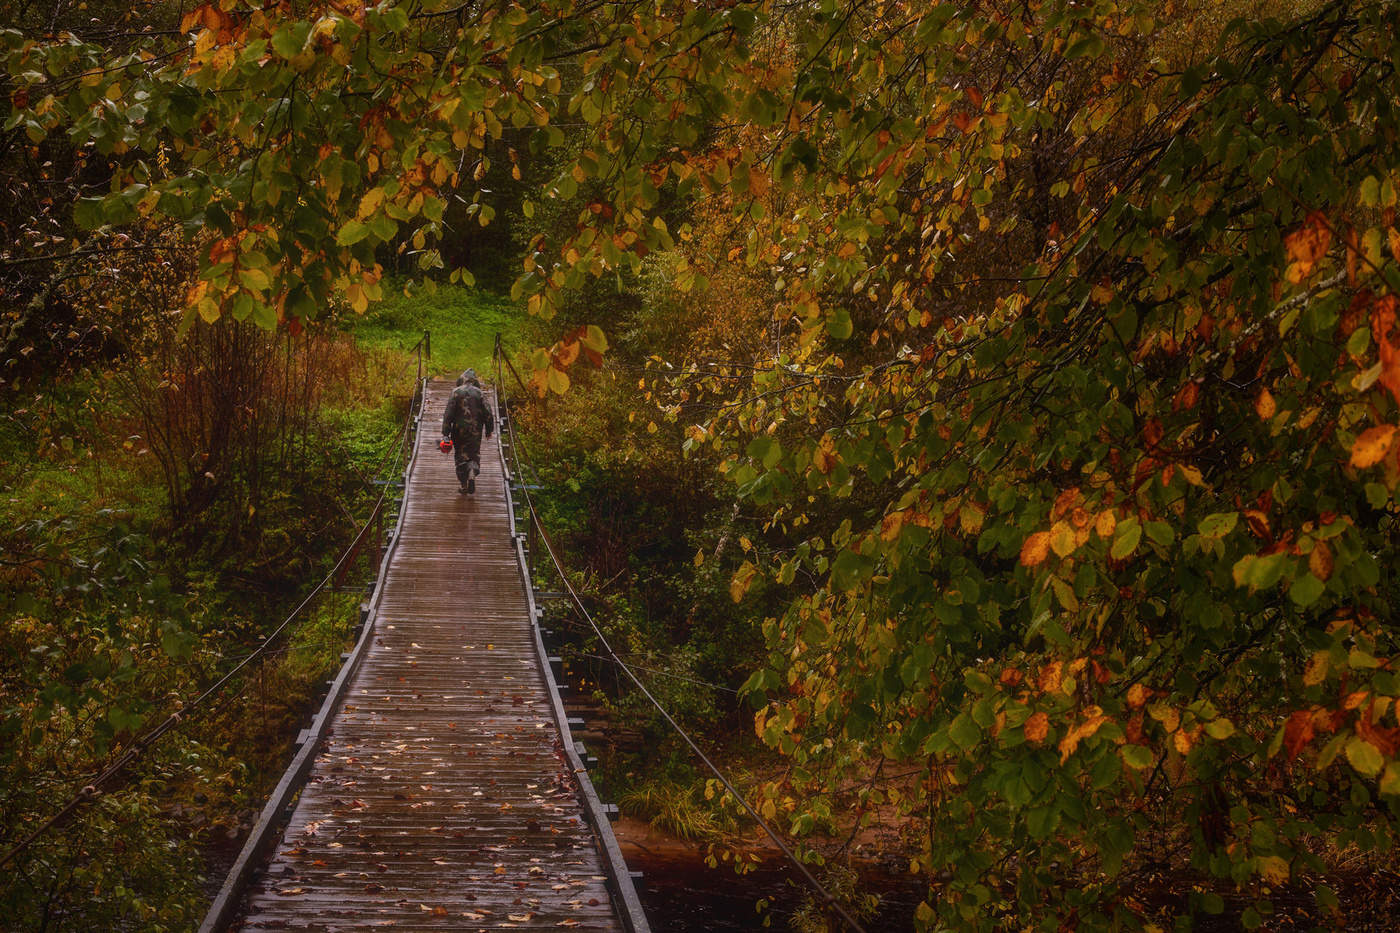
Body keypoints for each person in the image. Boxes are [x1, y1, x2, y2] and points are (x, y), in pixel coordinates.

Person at [441, 368, 494, 494]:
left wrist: (445, 433)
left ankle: (464, 485)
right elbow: (488, 413)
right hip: (475, 430)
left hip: (458, 431)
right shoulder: (480, 393)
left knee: (460, 455)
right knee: (474, 454)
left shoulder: (455, 392)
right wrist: (489, 430)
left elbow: (448, 414)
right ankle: (472, 471)